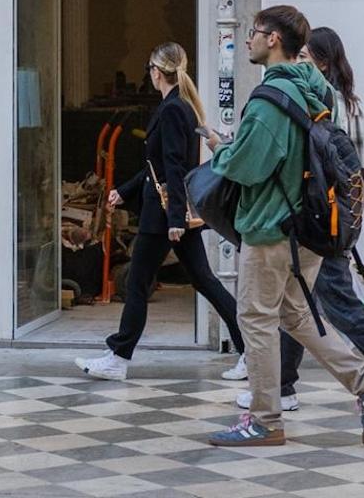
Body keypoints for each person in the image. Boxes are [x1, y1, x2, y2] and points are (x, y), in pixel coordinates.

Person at [206, 6, 364, 447]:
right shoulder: (318, 90)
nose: (248, 39)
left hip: (271, 228)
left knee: (254, 317)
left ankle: (266, 419)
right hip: (309, 227)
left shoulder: (270, 98)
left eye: (253, 32)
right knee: (295, 315)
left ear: (273, 40)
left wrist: (220, 151)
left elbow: (249, 166)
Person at [233, 27, 364, 420]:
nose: (302, 65)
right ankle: (284, 387)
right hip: (329, 217)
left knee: (338, 308)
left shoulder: (319, 104)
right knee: (295, 309)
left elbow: (302, 164)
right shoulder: (337, 100)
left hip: (316, 220)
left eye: (308, 59)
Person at [74, 43, 246, 381]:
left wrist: (174, 221)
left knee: (138, 283)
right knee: (206, 282)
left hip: (166, 216)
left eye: (149, 69)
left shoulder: (171, 110)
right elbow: (157, 167)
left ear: (156, 71)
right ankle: (252, 352)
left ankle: (118, 357)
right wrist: (123, 191)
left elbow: (173, 167)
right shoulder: (181, 107)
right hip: (172, 212)